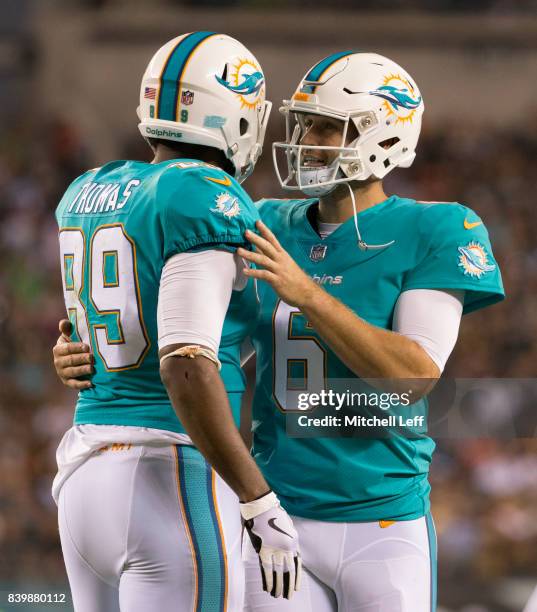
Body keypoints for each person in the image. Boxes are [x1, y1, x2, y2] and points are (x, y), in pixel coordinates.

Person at [54, 51, 505, 611]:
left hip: (382, 518)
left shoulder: (438, 226)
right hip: (274, 509)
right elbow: (189, 337)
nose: (306, 139)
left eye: (325, 126)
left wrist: (307, 292)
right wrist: (83, 347)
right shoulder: (261, 218)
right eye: (304, 122)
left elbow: (412, 375)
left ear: (384, 136)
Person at [52, 31, 300, 612]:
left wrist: (64, 349)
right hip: (169, 468)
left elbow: (113, 326)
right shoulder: (201, 191)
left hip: (85, 472)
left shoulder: (92, 187)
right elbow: (184, 362)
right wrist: (259, 500)